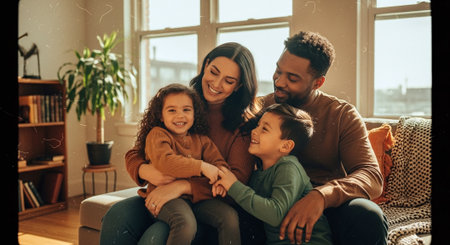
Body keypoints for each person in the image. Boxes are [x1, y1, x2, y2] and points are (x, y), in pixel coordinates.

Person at [99, 42, 261, 245]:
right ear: (206, 65)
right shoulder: (182, 102)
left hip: (208, 203)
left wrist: (182, 186)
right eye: (213, 72)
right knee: (117, 214)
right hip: (165, 195)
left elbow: (235, 182)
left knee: (158, 236)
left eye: (228, 81)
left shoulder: (243, 127)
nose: (217, 84)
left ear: (238, 86)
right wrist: (144, 170)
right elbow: (138, 151)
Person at [260, 31, 388, 245]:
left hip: (327, 207)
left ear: (318, 83)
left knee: (368, 215)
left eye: (292, 78)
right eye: (278, 70)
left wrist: (320, 196)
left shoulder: (341, 114)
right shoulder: (261, 108)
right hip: (273, 205)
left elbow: (371, 175)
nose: (279, 81)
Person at [135, 83, 239, 245]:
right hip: (164, 200)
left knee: (229, 217)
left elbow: (218, 162)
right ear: (160, 115)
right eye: (172, 110)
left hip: (195, 199)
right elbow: (166, 162)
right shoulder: (157, 135)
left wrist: (220, 178)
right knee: (186, 223)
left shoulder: (201, 139)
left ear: (195, 113)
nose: (180, 116)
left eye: (186, 110)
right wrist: (202, 167)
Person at [215, 103, 333, 245]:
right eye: (258, 125)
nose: (254, 131)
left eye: (264, 129)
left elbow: (274, 214)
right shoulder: (258, 172)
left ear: (286, 146)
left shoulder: (288, 167)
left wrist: (233, 186)